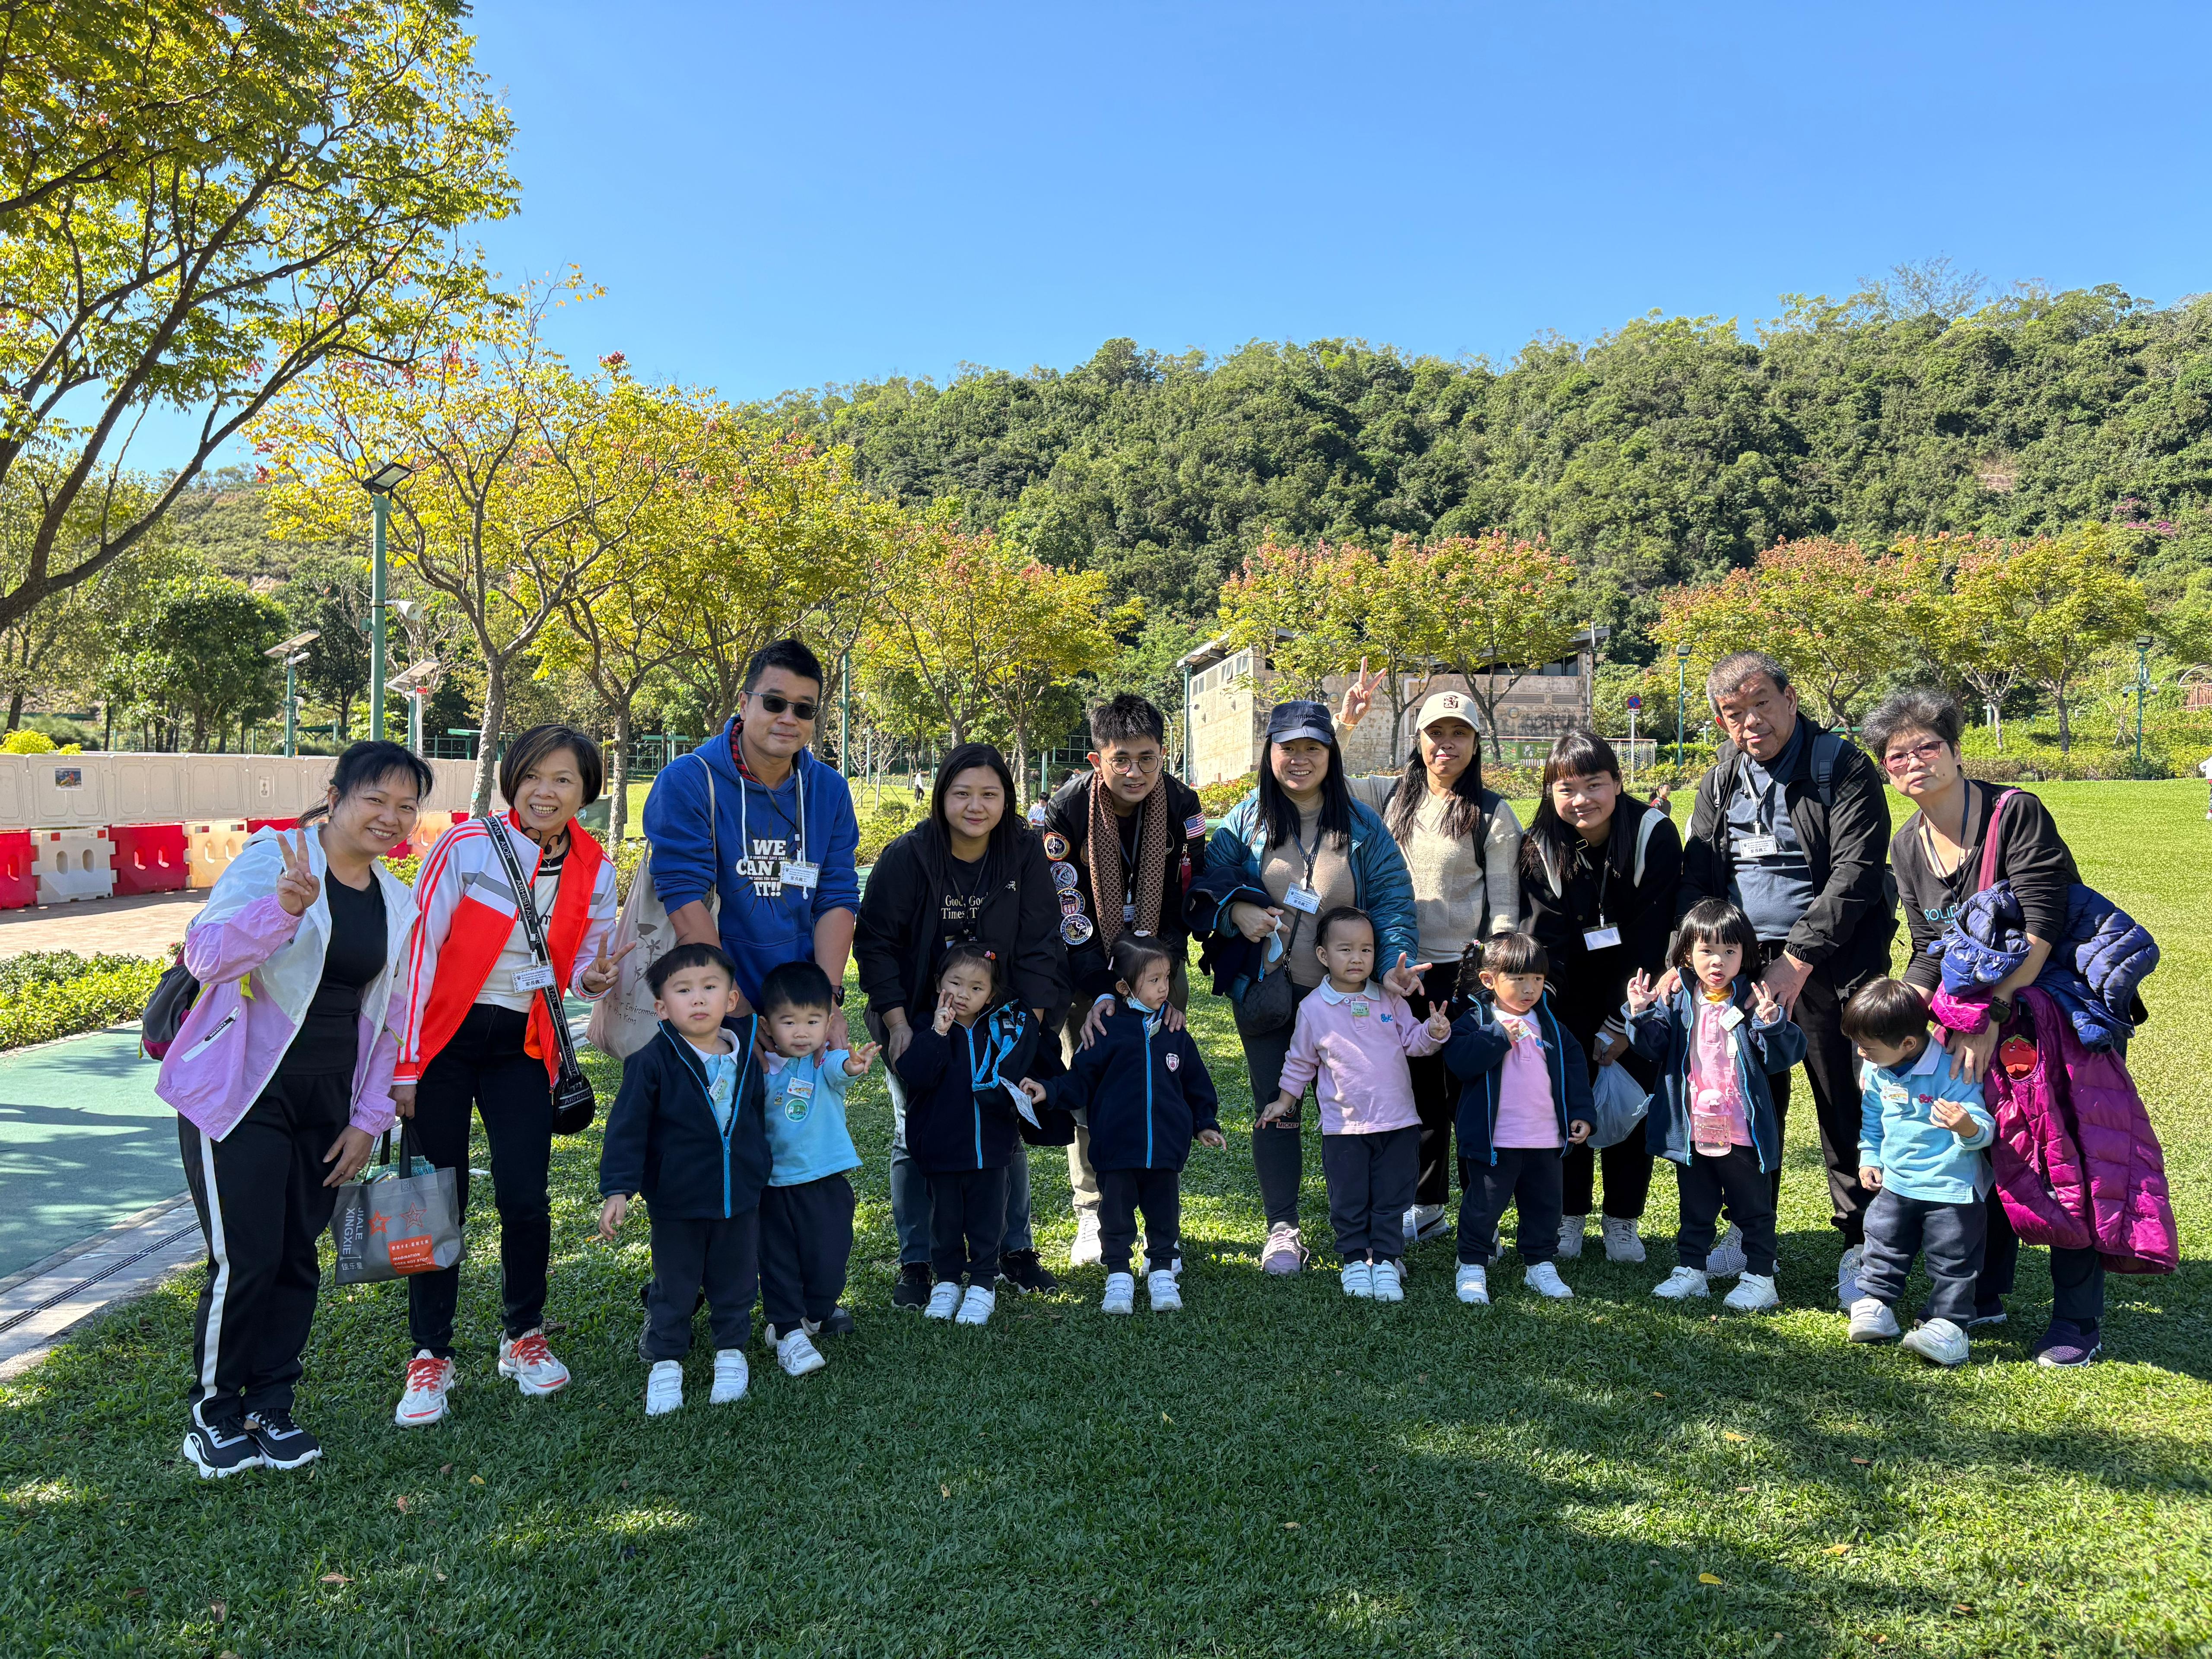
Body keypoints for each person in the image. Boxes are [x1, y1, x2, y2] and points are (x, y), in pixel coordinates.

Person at [159, 743, 429, 1477]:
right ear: (336, 795)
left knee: (295, 1258)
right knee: (244, 1257)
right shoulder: (275, 858)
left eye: (406, 806)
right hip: (242, 1090)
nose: (391, 817)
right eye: (377, 798)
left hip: (327, 1100)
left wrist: (367, 1121)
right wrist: (281, 910)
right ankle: (213, 1415)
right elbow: (206, 957)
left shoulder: (398, 902)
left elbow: (395, 1018)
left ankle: (269, 1407)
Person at [1863, 686, 2109, 1366]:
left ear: (1955, 749)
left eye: (1927, 747)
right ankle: (1985, 1293)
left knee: (2056, 1159)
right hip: (1971, 1012)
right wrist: (1894, 1024)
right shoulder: (1908, 842)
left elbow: (2042, 928)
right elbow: (1927, 946)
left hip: (2043, 1012)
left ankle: (2077, 1322)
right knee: (1979, 1148)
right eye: (1897, 755)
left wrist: (1993, 1015)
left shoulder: (2015, 812)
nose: (1914, 762)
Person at [391, 724, 623, 1427]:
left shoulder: (595, 867)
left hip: (524, 1047)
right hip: (443, 1046)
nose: (545, 792)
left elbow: (582, 967)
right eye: (534, 776)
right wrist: (406, 1065)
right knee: (437, 1201)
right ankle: (430, 1356)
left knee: (526, 1197)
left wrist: (596, 974)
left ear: (586, 791)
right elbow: (418, 956)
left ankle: (524, 1334)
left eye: (564, 781)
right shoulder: (465, 846)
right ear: (511, 779)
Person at [1678, 651, 1894, 1311]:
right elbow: (1698, 874)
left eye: (1761, 705)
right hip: (1745, 967)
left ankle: (1861, 1244)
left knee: (1843, 1104)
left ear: (1790, 699)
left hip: (1829, 967)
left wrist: (1797, 960)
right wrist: (1685, 956)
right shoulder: (1720, 780)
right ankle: (1750, 1236)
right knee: (1748, 1102)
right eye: (1734, 713)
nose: (1751, 723)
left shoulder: (1842, 766)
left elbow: (1857, 870)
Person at [1194, 699, 1419, 1276]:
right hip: (1269, 994)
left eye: (1313, 748)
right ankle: (1284, 1229)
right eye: (1288, 747)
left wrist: (1392, 965)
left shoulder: (1362, 827)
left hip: (1349, 1004)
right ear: (1270, 753)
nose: (1300, 759)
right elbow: (1207, 892)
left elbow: (1392, 900)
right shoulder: (1245, 822)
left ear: (1330, 753)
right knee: (1278, 1107)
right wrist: (1235, 912)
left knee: (1361, 1111)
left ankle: (1373, 1228)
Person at [855, 743, 1070, 1306]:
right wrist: (899, 1024)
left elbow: (1043, 940)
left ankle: (1011, 1251)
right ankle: (920, 1260)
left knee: (1005, 1129)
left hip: (999, 1020)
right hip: (923, 1019)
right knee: (914, 1131)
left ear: (1007, 799)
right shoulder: (909, 856)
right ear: (942, 796)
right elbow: (876, 943)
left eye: (990, 794)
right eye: (962, 793)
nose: (976, 806)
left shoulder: (1023, 853)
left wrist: (1031, 1026)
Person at [1335, 671, 1523, 1250]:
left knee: (1469, 1093)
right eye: (1435, 732)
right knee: (1416, 1093)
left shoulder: (1493, 814)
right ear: (1418, 740)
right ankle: (1427, 1203)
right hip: (1398, 971)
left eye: (1459, 734)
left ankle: (1480, 1212)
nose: (1446, 744)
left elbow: (1505, 907)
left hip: (1463, 971)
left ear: (1475, 744)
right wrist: (1346, 723)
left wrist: (1494, 980)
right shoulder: (1389, 795)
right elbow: (1328, 779)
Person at [1043, 694, 1210, 1267]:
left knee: (1161, 1086)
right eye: (1122, 760)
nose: (1135, 772)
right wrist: (1099, 982)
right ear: (1097, 760)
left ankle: (1163, 1216)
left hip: (1161, 968)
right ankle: (1092, 1209)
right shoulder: (1065, 811)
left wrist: (1168, 965)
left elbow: (1194, 887)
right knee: (1092, 1087)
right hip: (1088, 972)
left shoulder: (1184, 804)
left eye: (1147, 758)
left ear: (1164, 755)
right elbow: (1064, 903)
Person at [1522, 729, 1681, 1265]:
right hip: (1566, 994)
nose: (1580, 800)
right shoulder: (1539, 844)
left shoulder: (1651, 833)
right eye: (1565, 789)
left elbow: (1652, 932)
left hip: (1637, 990)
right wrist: (1559, 1021)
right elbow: (1544, 939)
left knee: (1630, 1103)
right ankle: (1568, 1217)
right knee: (1567, 1103)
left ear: (1617, 782)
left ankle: (1621, 1220)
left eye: (1593, 784)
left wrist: (1619, 1025)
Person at [642, 636, 861, 1026]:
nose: (788, 718)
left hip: (798, 1008)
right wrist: (735, 1006)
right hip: (707, 1009)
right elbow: (683, 893)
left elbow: (837, 895)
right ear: (744, 704)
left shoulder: (830, 790)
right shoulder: (687, 781)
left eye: (804, 709)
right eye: (774, 702)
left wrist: (824, 1000)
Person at [597, 943, 769, 1415]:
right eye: (683, 990)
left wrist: (758, 1169)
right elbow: (627, 1130)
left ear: (731, 1000)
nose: (698, 1000)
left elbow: (753, 1121)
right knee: (675, 1284)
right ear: (661, 1007)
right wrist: (618, 1188)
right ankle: (666, 1359)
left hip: (741, 1198)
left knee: (735, 1280)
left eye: (709, 988)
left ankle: (731, 1352)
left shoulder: (744, 1054)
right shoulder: (650, 1062)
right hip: (676, 1201)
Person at [1262, 906, 1452, 1301]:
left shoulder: (1390, 999)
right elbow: (1300, 1061)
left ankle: (1385, 1261)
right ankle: (1353, 1260)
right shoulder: (1314, 1008)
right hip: (1344, 1128)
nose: (1357, 958)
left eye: (1366, 950)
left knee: (1391, 1199)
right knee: (1349, 1199)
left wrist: (1434, 1034)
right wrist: (1285, 1100)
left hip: (1398, 1123)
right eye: (1345, 949)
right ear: (1322, 956)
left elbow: (1414, 1043)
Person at [1627, 899, 1804, 1313]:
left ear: (1747, 953)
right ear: (1687, 954)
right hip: (1693, 1126)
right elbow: (1654, 1047)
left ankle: (1761, 1277)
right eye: (1707, 951)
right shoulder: (1678, 997)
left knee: (1753, 1208)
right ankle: (1692, 1270)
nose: (1718, 961)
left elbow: (1784, 1054)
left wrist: (1771, 1023)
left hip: (1741, 1126)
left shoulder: (1753, 998)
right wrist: (1640, 1014)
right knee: (1695, 1202)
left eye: (1730, 951)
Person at [1049, 934, 1224, 1315]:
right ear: (1125, 987)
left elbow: (1196, 1084)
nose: (1165, 988)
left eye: (1167, 978)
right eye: (1154, 981)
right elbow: (1079, 1082)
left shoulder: (1176, 1032)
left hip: (1164, 1150)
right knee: (1115, 1217)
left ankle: (1162, 1272)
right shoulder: (1105, 1031)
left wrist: (1205, 1123)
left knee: (1164, 1216)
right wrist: (1047, 1091)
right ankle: (1118, 1278)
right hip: (1116, 1151)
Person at [891, 944, 1053, 1326]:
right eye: (955, 983)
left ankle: (983, 1283)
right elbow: (914, 1074)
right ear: (938, 984)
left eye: (976, 988)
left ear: (991, 996)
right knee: (944, 1223)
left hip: (992, 1153)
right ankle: (947, 1280)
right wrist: (937, 1032)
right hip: (943, 1153)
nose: (964, 995)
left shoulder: (1001, 1032)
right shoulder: (924, 1027)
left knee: (987, 1221)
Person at [1840, 976, 1995, 1368]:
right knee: (1882, 1242)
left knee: (1953, 1259)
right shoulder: (1879, 1069)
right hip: (1897, 1183)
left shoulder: (1954, 1068)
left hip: (1952, 1188)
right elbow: (1873, 1118)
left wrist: (1967, 1127)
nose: (1862, 1054)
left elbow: (1983, 1127)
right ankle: (1877, 1305)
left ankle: (1948, 1326)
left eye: (1869, 1048)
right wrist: (1870, 1157)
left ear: (1908, 1044)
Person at [1440, 933, 1594, 1307]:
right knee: (1484, 1205)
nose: (1530, 989)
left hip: (1545, 1138)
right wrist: (1497, 1037)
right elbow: (1460, 1063)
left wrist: (1581, 1115)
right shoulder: (1475, 1020)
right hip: (1496, 1141)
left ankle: (1540, 1263)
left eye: (1538, 980)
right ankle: (1472, 1263)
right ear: (1490, 980)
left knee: (1545, 1207)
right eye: (1519, 979)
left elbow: (1575, 1070)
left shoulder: (1552, 1026)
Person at [755, 958, 877, 1374]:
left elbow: (840, 1073)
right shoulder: (760, 1070)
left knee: (829, 1258)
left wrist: (852, 1064)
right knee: (779, 1262)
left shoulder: (823, 1063)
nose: (802, 1032)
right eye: (789, 1022)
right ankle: (786, 1326)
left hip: (826, 1183)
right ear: (767, 1026)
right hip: (773, 1188)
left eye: (813, 1021)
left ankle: (816, 1310)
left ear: (829, 1023)